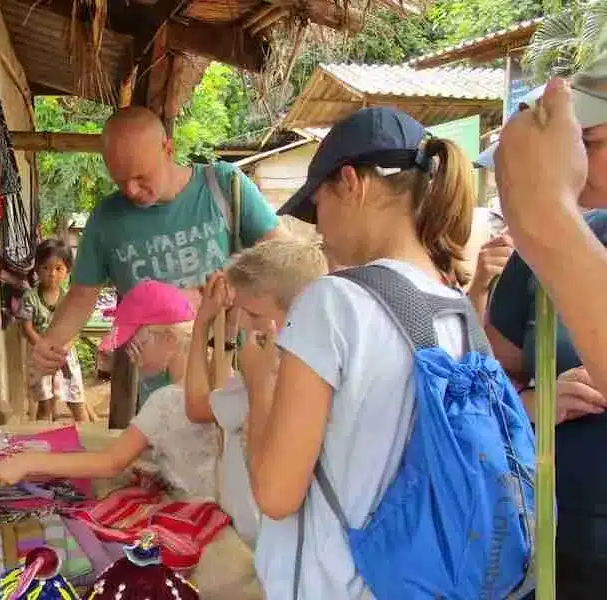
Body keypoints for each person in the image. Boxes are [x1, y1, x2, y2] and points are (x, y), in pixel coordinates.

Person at [246, 107, 483, 598]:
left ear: (351, 183)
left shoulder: (333, 303)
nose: (319, 228)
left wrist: (256, 385)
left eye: (317, 206)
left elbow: (275, 494)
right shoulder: (458, 308)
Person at [29, 106, 289, 416]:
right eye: (120, 180)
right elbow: (81, 296)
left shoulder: (223, 186)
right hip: (159, 392)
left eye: (141, 177)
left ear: (168, 149)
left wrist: (219, 291)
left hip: (232, 374)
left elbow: (285, 260)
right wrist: (51, 344)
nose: (131, 190)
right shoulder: (106, 219)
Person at [485, 69, 607, 597]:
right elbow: (490, 378)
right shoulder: (547, 246)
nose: (573, 158)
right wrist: (534, 403)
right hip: (548, 549)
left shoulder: (553, 231)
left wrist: (549, 214)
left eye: (589, 141)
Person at [0, 280, 221, 503]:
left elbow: (110, 462)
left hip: (194, 507)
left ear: (169, 338)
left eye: (136, 344)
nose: (132, 357)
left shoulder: (166, 400)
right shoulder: (220, 377)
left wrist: (28, 462)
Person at [183, 238, 329, 546]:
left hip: (258, 543)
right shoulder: (316, 371)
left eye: (253, 315)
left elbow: (196, 406)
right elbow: (220, 391)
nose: (246, 326)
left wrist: (202, 325)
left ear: (299, 309)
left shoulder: (270, 373)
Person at [20, 239, 88, 423]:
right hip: (40, 356)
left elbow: (75, 327)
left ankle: (85, 435)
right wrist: (43, 347)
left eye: (58, 268)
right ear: (37, 269)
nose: (52, 274)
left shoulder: (69, 299)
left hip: (65, 355)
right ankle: (43, 437)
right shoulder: (30, 298)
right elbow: (27, 328)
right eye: (46, 268)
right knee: (45, 404)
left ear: (68, 271)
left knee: (76, 401)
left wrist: (65, 347)